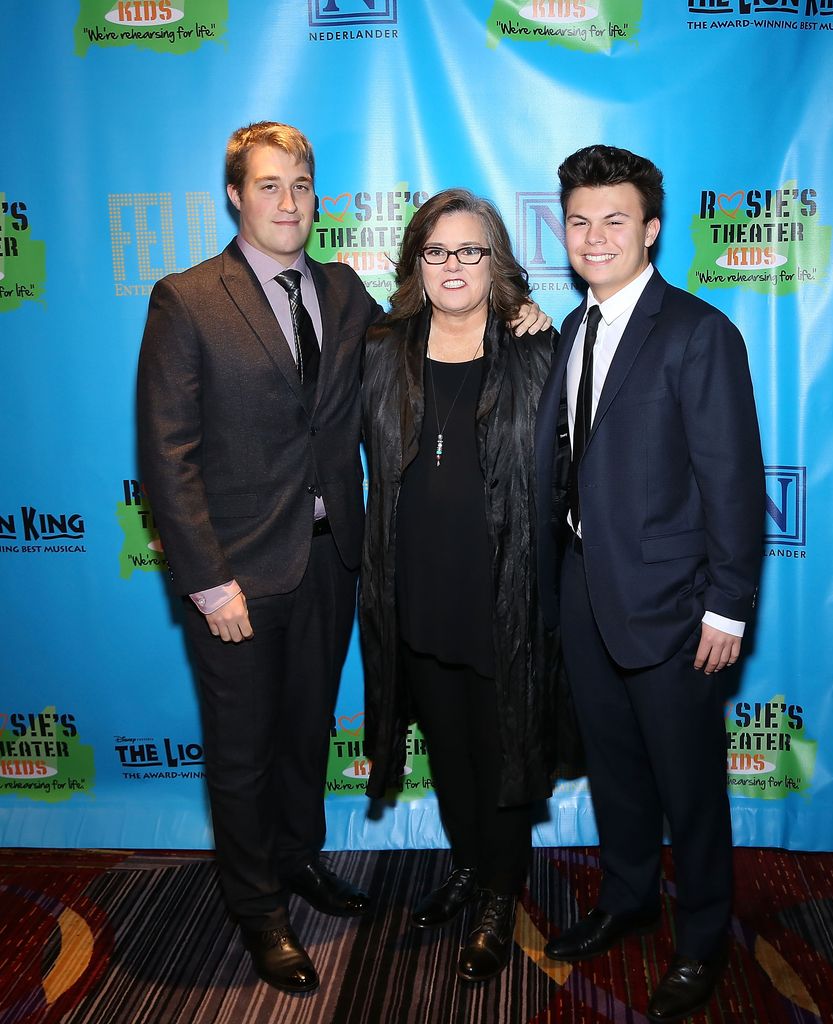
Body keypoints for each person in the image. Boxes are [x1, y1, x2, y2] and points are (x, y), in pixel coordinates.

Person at [137, 124, 548, 994]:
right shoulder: (187, 297)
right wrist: (209, 584)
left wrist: (520, 308)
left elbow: (438, 325)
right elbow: (165, 454)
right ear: (236, 197)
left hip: (333, 560)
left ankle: (299, 861)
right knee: (243, 751)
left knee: (302, 734)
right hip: (237, 575)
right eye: (269, 186)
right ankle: (258, 910)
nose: (288, 202)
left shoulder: (344, 290)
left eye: (301, 186)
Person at [533, 146, 764, 1022]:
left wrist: (728, 605)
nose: (595, 237)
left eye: (615, 220)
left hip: (676, 608)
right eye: (581, 221)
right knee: (618, 773)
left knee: (690, 785)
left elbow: (733, 482)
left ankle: (703, 937)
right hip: (586, 594)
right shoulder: (571, 329)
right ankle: (627, 899)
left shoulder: (699, 332)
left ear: (652, 229)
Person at [359, 188, 565, 983]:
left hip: (505, 598)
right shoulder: (382, 348)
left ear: (496, 263)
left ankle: (497, 894)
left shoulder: (535, 350)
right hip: (415, 593)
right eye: (437, 251)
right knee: (447, 751)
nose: (453, 265)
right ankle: (469, 867)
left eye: (470, 250)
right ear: (417, 262)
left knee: (503, 754)